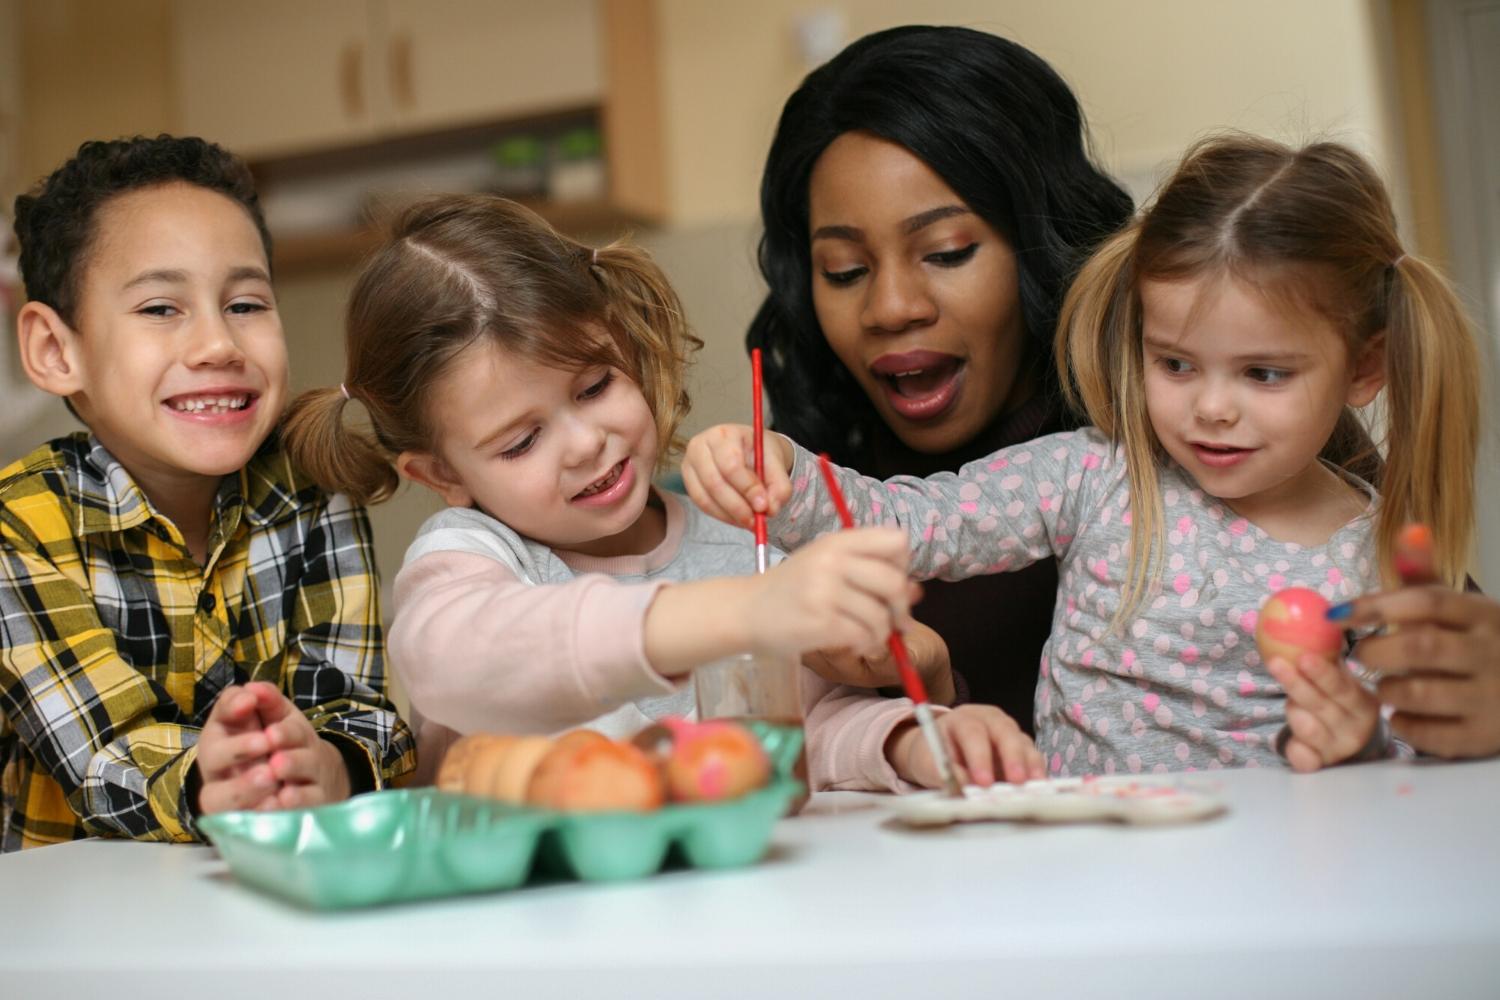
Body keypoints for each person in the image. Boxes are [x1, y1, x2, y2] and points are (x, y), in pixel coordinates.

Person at [686, 134, 1482, 776]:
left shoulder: (1377, 558)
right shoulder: (1097, 476)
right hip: (1080, 876)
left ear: (1366, 367)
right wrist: (784, 474)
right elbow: (917, 523)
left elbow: (1423, 759)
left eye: (1263, 373)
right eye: (1174, 363)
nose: (1210, 406)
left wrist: (1359, 748)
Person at [280, 195, 1042, 793]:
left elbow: (800, 736)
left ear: (627, 343)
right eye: (520, 441)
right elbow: (458, 658)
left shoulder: (734, 545)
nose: (586, 442)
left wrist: (909, 739)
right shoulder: (472, 561)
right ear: (443, 476)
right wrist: (739, 613)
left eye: (596, 385)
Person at [1, 136, 415, 851]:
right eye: (162, 309)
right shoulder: (18, 524)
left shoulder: (313, 483)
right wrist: (208, 777)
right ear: (55, 351)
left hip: (273, 888)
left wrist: (328, 762)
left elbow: (359, 712)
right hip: (66, 925)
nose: (219, 344)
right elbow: (100, 756)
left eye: (246, 303)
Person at [747, 25, 1134, 727]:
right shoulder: (802, 497)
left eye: (948, 252)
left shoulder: (1184, 441)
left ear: (1039, 245)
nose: (892, 308)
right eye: (846, 271)